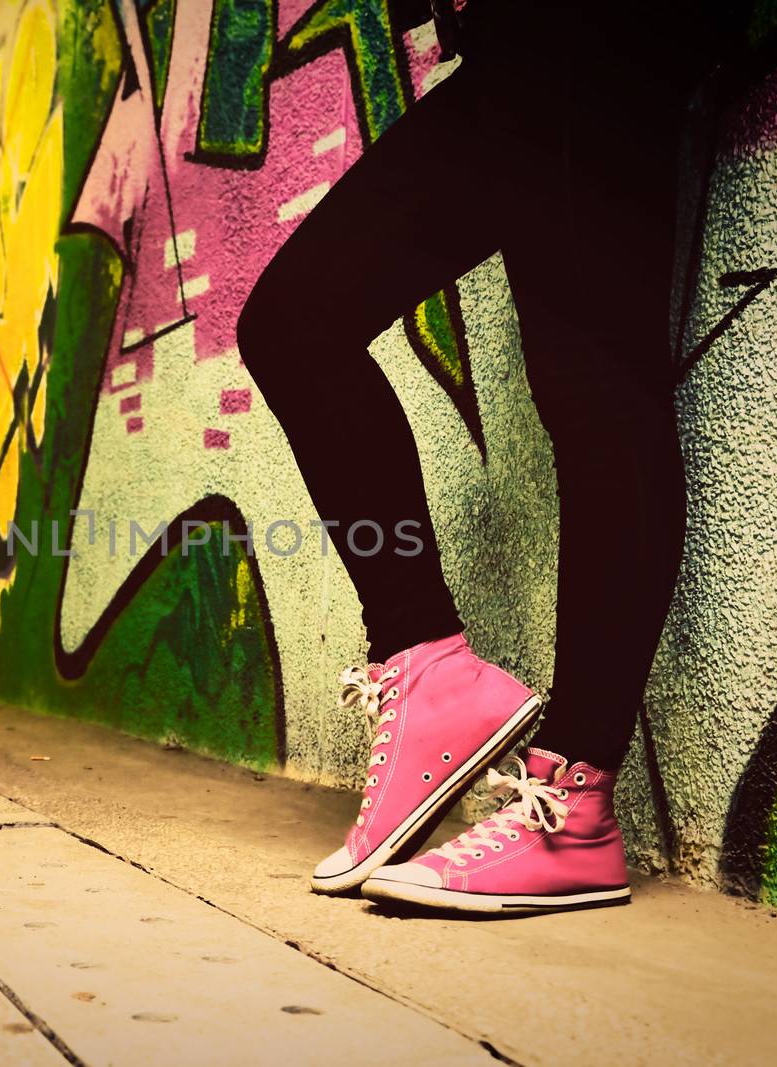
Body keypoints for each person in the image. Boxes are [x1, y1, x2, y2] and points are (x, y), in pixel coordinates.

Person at [236, 0, 723, 912]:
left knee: (596, 384)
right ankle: (429, 668)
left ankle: (573, 809)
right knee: (295, 325)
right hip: (517, 45)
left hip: (596, 33)